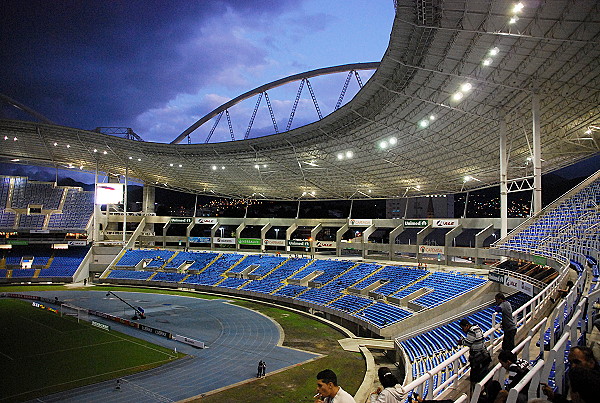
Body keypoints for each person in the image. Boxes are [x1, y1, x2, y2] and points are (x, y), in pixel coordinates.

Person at [458, 319, 491, 385]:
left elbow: (468, 343)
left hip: (478, 356)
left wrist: (461, 342)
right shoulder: (477, 328)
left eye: (463, 328)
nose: (463, 330)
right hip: (484, 354)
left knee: (475, 376)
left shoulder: (471, 331)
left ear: (467, 326)